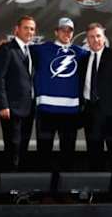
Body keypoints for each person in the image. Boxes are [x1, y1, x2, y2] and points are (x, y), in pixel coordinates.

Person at [31, 17, 88, 171]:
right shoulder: (41, 49)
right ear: (56, 32)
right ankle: (43, 192)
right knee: (43, 154)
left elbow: (100, 57)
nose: (66, 33)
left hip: (70, 113)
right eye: (63, 30)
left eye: (70, 30)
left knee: (68, 155)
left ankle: (65, 191)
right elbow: (19, 49)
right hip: (46, 112)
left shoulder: (81, 53)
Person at [79, 23, 112, 171]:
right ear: (87, 40)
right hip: (90, 114)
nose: (96, 40)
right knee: (94, 154)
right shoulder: (84, 59)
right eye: (91, 37)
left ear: (104, 37)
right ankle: (97, 189)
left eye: (98, 36)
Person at [0, 16, 36, 171]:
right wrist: (3, 105)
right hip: (11, 110)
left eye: (32, 29)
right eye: (26, 28)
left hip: (28, 109)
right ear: (16, 29)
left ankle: (20, 187)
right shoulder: (6, 49)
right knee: (13, 149)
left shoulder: (31, 50)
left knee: (23, 148)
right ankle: (9, 188)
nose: (29, 31)